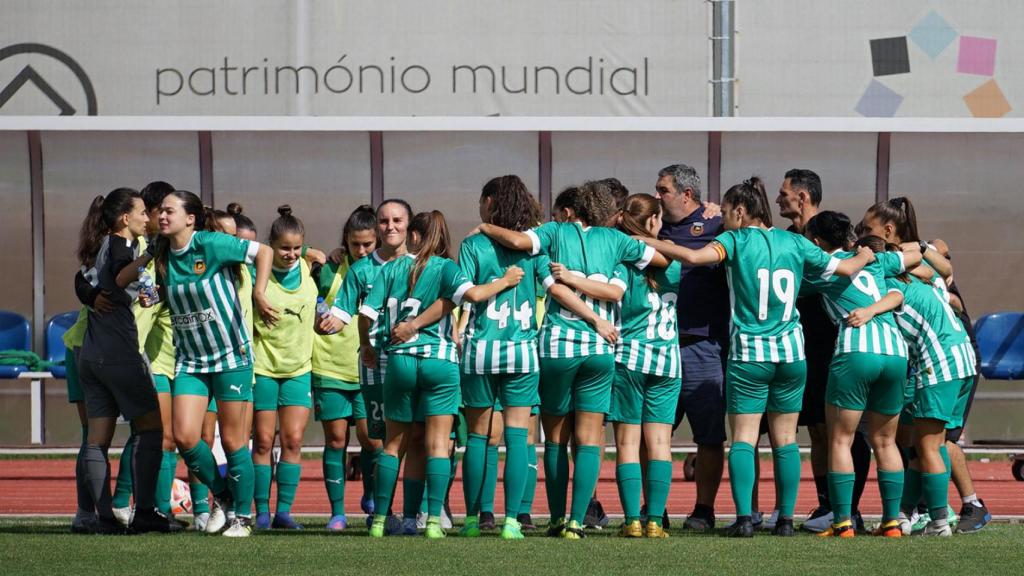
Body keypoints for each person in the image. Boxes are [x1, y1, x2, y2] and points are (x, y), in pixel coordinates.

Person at [638, 177, 875, 538]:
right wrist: (864, 254)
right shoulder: (795, 241)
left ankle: (746, 518)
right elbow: (843, 269)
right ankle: (784, 521)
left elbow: (692, 256)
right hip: (792, 355)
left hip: (750, 354)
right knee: (786, 441)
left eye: (729, 213)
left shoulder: (733, 240)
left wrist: (648, 241)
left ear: (739, 211)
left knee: (744, 439)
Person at [478, 180, 666, 539]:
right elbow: (659, 259)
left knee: (555, 440)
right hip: (600, 349)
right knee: (590, 439)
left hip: (558, 348)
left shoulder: (554, 231)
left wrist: (485, 226)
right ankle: (578, 522)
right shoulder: (616, 241)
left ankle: (555, 518)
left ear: (571, 209)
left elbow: (518, 242)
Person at [361, 210, 524, 539]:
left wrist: (367, 346)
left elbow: (366, 312)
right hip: (440, 362)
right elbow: (474, 295)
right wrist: (506, 281)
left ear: (415, 236)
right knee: (438, 446)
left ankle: (380, 521)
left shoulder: (392, 267)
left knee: (393, 445)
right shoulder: (448, 267)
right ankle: (433, 521)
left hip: (400, 361)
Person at [152, 190, 275, 537]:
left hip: (230, 356)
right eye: (160, 211)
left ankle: (242, 518)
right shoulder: (162, 253)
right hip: (191, 359)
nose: (162, 216)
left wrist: (259, 291)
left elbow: (263, 251)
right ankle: (222, 497)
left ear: (190, 218)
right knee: (185, 437)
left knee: (235, 441)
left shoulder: (210, 244)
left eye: (169, 211)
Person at [800, 211, 923, 538]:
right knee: (885, 441)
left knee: (841, 439)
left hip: (856, 351)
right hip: (895, 353)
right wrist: (897, 250)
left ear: (816, 243)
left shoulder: (822, 268)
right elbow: (914, 257)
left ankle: (842, 523)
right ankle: (892, 523)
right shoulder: (876, 261)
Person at [853, 237, 977, 537]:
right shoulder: (926, 275)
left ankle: (938, 521)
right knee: (922, 440)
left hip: (940, 363)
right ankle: (904, 515)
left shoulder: (886, 286)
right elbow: (948, 282)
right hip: (964, 359)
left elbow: (896, 296)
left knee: (928, 445)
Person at [72, 188, 173, 534]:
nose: (149, 218)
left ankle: (102, 518)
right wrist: (145, 261)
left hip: (92, 356)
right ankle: (143, 510)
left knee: (97, 439)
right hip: (120, 354)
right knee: (151, 429)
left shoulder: (103, 245)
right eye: (143, 212)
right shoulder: (121, 246)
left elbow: (91, 282)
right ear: (124, 219)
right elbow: (117, 278)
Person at [456, 175, 548, 540]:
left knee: (479, 438)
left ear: (491, 202)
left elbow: (465, 293)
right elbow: (552, 284)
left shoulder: (473, 244)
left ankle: (474, 520)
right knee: (517, 438)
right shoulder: (534, 245)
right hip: (523, 351)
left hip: (481, 349)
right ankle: (513, 520)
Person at [654, 163, 729, 531]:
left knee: (709, 435)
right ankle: (655, 508)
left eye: (663, 190)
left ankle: (704, 509)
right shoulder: (650, 224)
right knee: (654, 430)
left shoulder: (718, 224)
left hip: (703, 345)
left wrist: (719, 210)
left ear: (687, 194)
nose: (657, 196)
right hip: (657, 344)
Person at [775, 168, 847, 531]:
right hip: (800, 347)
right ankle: (825, 504)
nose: (778, 200)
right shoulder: (787, 237)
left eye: (784, 193)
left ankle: (847, 506)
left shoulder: (833, 230)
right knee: (816, 430)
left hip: (835, 345)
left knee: (840, 431)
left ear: (802, 197)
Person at [607, 194, 682, 539]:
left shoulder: (620, 263)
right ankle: (655, 520)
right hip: (668, 360)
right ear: (652, 222)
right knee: (660, 444)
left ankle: (632, 520)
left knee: (627, 443)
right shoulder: (674, 261)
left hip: (631, 356)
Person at [312, 205, 384, 531]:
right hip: (330, 367)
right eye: (355, 244)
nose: (362, 250)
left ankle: (371, 498)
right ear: (346, 242)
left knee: (372, 440)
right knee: (336, 441)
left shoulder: (386, 270)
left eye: (368, 244)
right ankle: (337, 513)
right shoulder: (329, 271)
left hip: (369, 370)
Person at [250, 206, 319, 530]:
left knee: (292, 441)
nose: (290, 254)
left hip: (298, 370)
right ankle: (261, 512)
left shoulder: (308, 265)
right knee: (263, 441)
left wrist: (308, 251)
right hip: (263, 368)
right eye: (284, 248)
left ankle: (284, 513)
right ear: (271, 246)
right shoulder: (255, 275)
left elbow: (315, 253)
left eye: (295, 247)